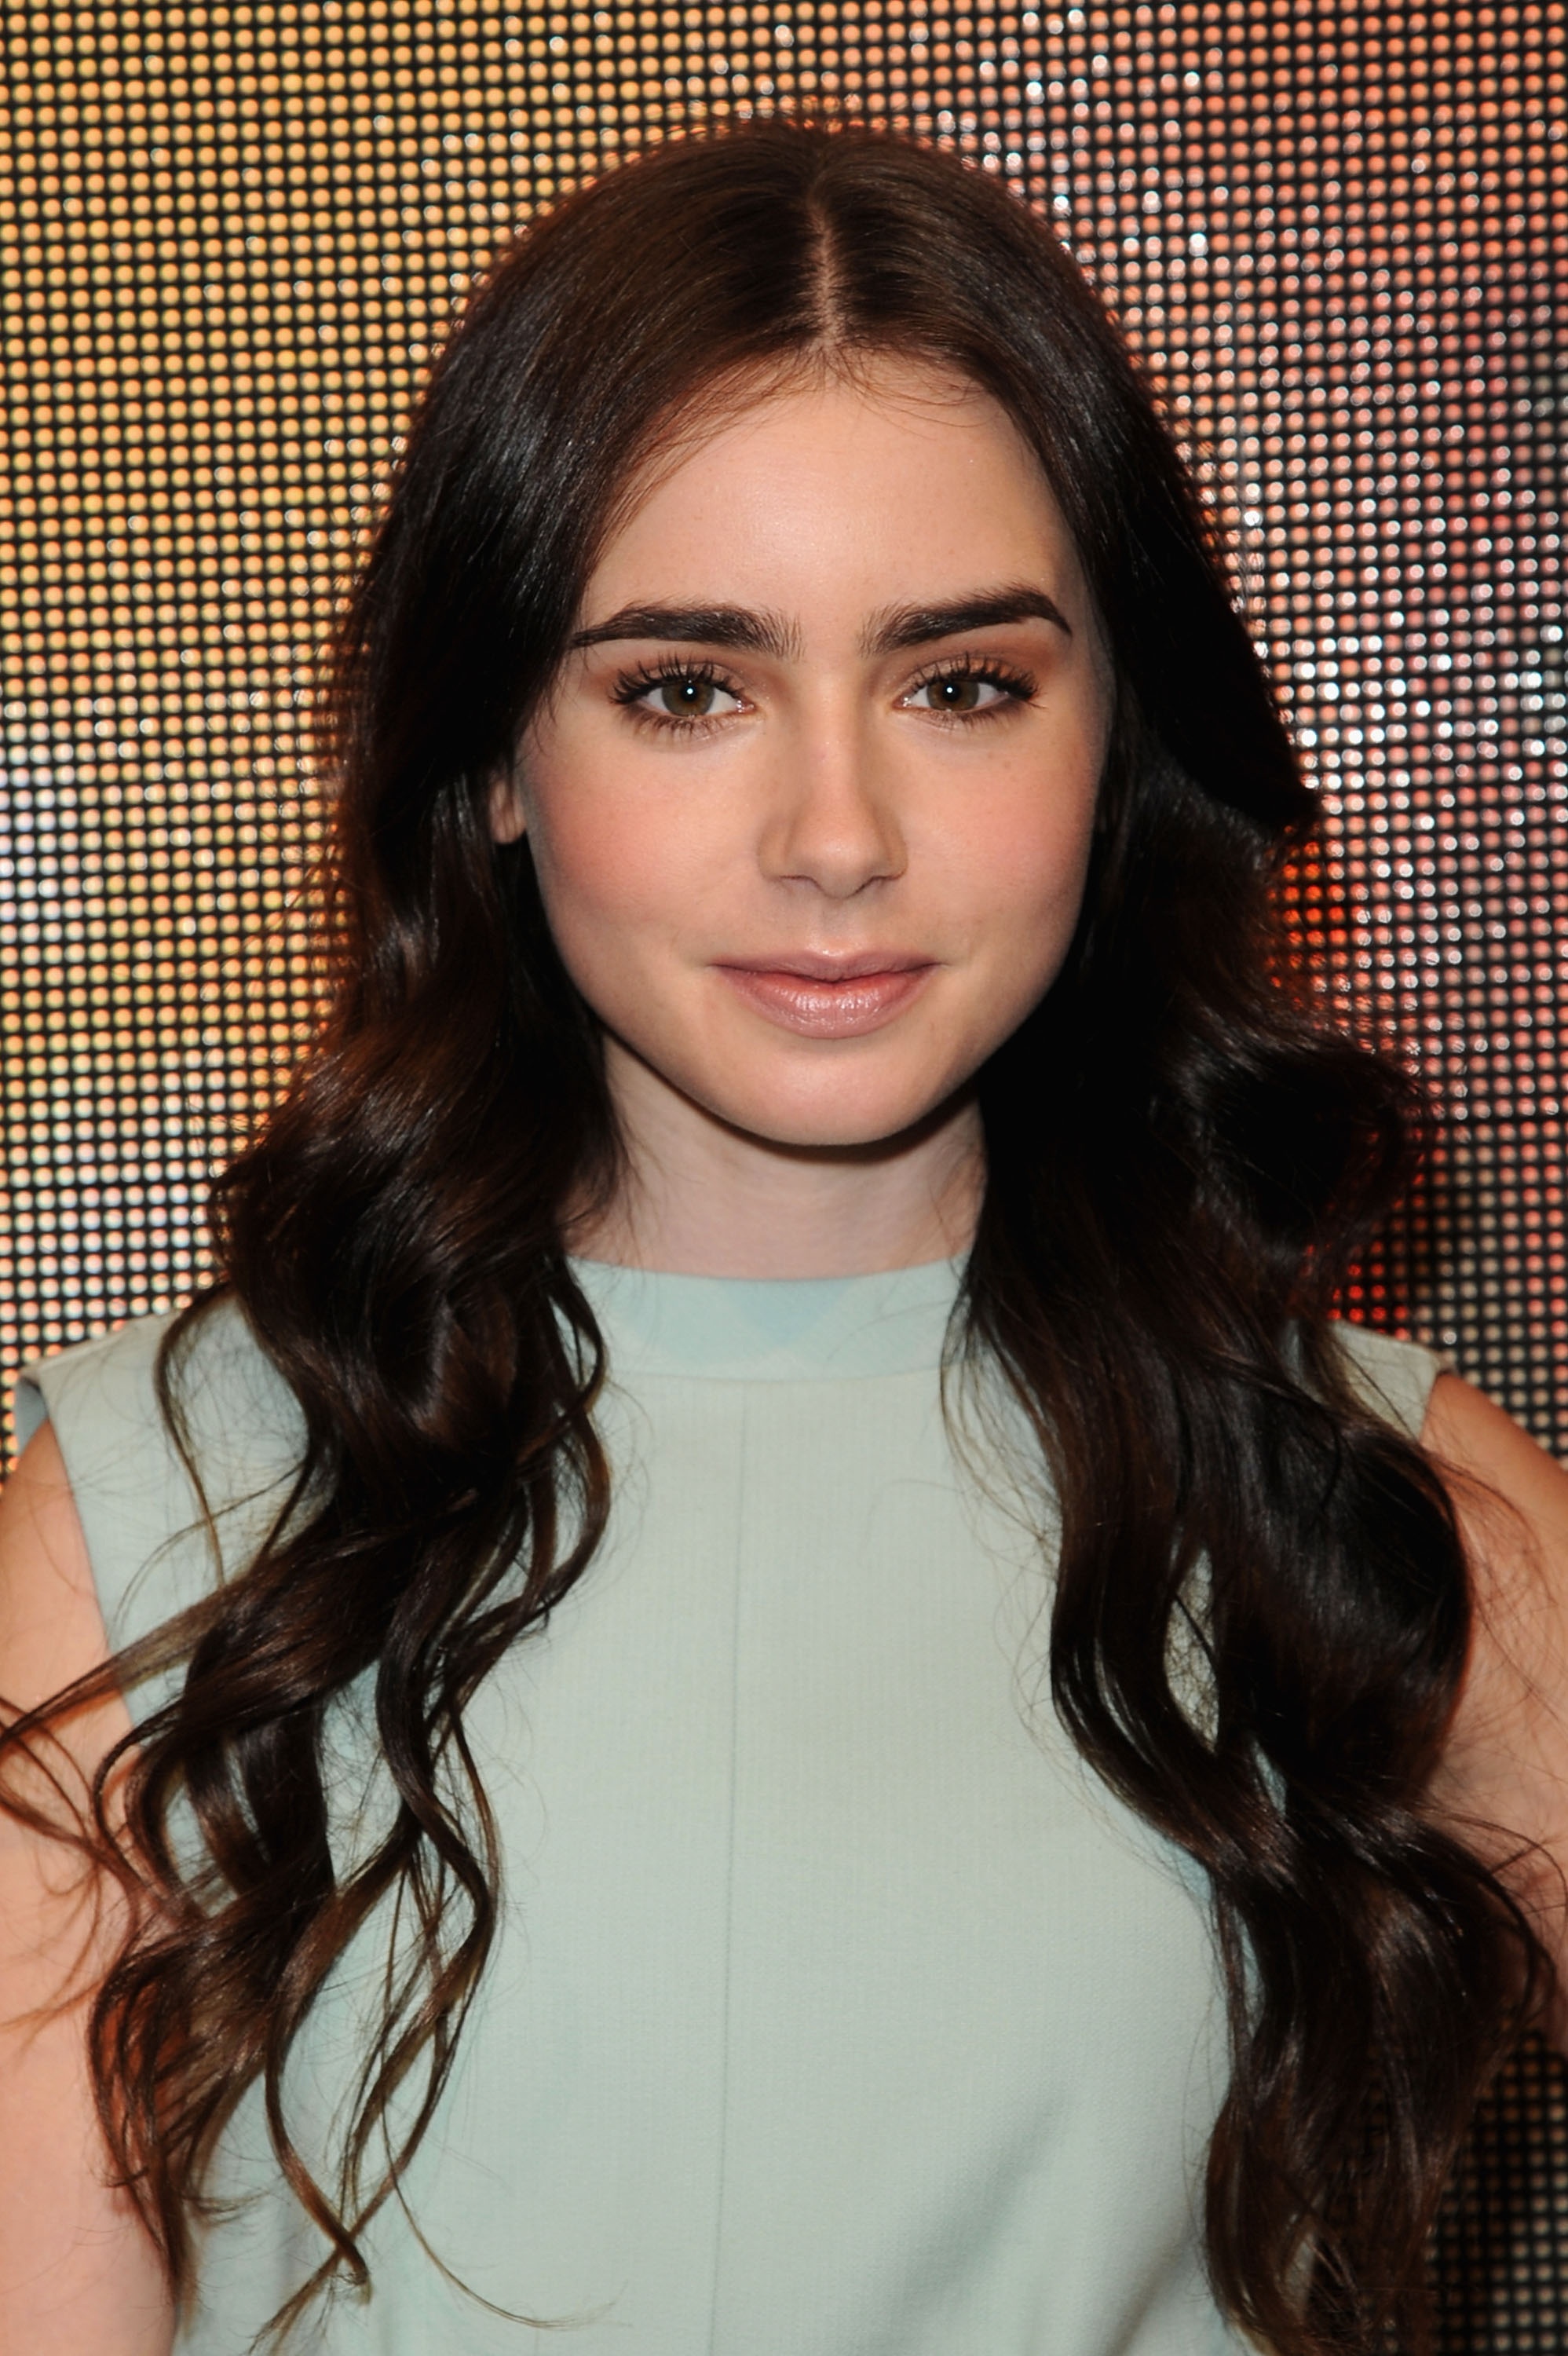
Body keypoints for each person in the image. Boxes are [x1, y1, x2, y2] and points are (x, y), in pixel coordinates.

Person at [3, 116, 1567, 2356]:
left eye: (962, 684)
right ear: (496, 758)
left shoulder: (1366, 1503)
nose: (838, 834)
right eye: (686, 688)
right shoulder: (153, 1524)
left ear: (1115, 742)